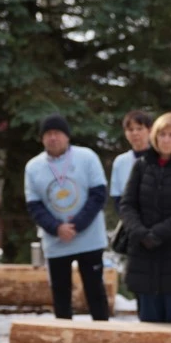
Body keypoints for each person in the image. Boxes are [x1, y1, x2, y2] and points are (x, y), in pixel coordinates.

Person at [25, 114, 111, 321]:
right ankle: (63, 335)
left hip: (89, 237)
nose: (53, 138)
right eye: (48, 134)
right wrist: (56, 228)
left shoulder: (87, 157)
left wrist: (77, 225)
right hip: (56, 240)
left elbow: (99, 194)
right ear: (42, 139)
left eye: (57, 133)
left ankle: (103, 332)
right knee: (60, 293)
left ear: (67, 137)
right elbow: (34, 205)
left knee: (94, 290)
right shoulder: (33, 167)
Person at [119, 112, 171, 323]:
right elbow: (127, 204)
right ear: (155, 136)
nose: (166, 139)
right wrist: (139, 232)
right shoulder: (142, 166)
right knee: (147, 322)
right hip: (143, 254)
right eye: (162, 134)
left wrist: (159, 233)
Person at [109, 110, 152, 212]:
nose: (135, 133)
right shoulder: (120, 161)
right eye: (130, 129)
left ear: (150, 130)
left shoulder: (160, 158)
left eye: (139, 128)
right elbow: (117, 197)